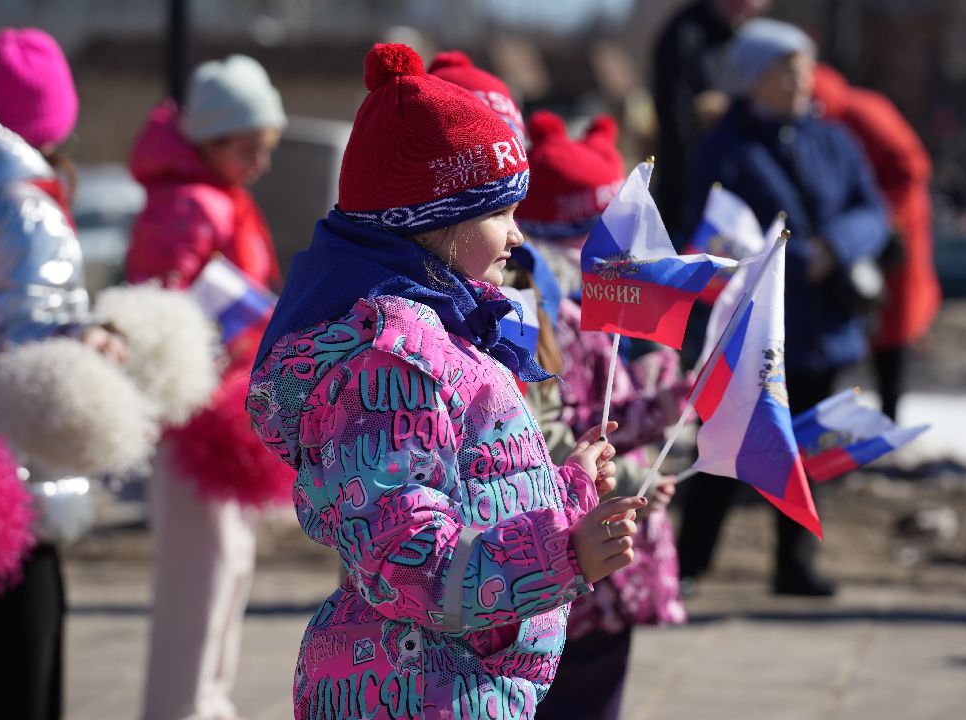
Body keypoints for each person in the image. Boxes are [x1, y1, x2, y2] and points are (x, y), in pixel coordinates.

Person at [247, 43, 644, 720]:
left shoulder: (446, 335)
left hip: (457, 685)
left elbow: (477, 495)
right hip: (414, 691)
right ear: (433, 224)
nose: (518, 237)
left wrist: (570, 490)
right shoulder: (396, 364)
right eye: (499, 214)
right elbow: (411, 562)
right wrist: (564, 554)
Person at [679, 19, 890, 596]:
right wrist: (791, 258)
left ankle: (793, 563)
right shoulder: (723, 145)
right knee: (729, 441)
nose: (803, 80)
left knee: (809, 444)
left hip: (822, 322)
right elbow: (710, 228)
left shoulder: (832, 138)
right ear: (754, 78)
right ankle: (688, 563)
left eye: (804, 67)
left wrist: (834, 248)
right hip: (754, 323)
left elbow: (872, 210)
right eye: (788, 69)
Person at [124, 54, 290, 720]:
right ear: (212, 140)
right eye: (249, 148)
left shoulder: (210, 198)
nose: (260, 163)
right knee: (203, 577)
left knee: (224, 568)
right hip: (195, 417)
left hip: (214, 410)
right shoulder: (193, 204)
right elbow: (160, 308)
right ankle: (187, 705)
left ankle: (204, 701)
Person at [514, 110, 686, 720]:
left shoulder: (608, 313)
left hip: (613, 538)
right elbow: (554, 431)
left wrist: (665, 401)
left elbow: (611, 413)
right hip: (576, 540)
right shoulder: (541, 312)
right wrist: (639, 470)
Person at [0, 27, 128, 720]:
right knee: (25, 674)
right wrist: (93, 336)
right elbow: (32, 338)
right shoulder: (25, 202)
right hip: (15, 482)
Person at [812, 64, 941, 421]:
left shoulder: (860, 111)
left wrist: (883, 217)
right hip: (857, 233)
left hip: (892, 235)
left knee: (892, 325)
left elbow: (912, 166)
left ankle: (889, 414)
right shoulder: (830, 119)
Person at [652, 0, 770, 239]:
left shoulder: (748, 35)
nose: (758, 6)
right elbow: (675, 119)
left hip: (744, 187)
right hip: (691, 189)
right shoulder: (685, 33)